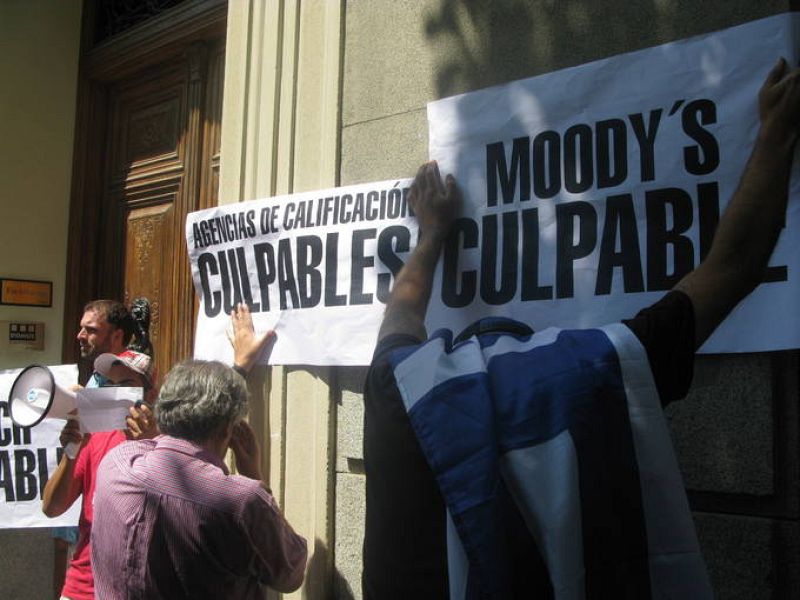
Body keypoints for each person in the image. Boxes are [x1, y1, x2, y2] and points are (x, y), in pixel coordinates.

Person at [362, 58, 800, 599]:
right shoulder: (586, 377)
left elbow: (400, 312)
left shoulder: (396, 390)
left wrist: (431, 233)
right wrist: (778, 132)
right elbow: (733, 268)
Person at [91, 304, 307, 599]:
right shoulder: (241, 500)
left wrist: (239, 368)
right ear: (228, 429)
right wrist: (255, 477)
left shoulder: (116, 464)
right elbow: (290, 574)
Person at [43, 299, 156, 600]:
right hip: (83, 589)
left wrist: (152, 444)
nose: (115, 393)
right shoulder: (95, 436)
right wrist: (72, 452)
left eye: (126, 385)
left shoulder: (167, 443)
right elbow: (52, 508)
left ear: (150, 391)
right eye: (109, 385)